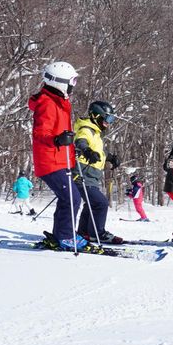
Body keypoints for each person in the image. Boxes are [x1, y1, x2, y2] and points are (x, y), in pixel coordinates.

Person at [28, 60, 87, 250]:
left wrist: (68, 147)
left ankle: (60, 235)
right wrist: (58, 140)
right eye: (72, 81)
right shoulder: (47, 103)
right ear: (60, 82)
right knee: (72, 199)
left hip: (59, 160)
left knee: (67, 198)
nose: (73, 86)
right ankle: (66, 236)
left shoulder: (59, 103)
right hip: (50, 161)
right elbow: (40, 133)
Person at [73, 101, 123, 244]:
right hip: (81, 174)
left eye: (111, 119)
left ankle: (84, 233)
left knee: (92, 204)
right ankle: (97, 233)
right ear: (96, 116)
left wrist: (110, 157)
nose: (109, 123)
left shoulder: (95, 133)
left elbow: (99, 151)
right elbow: (81, 142)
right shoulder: (86, 129)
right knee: (100, 203)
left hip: (91, 176)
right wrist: (87, 151)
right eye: (107, 119)